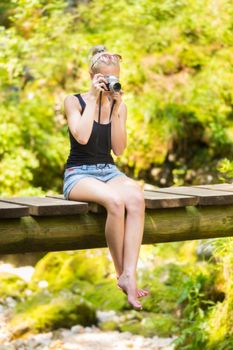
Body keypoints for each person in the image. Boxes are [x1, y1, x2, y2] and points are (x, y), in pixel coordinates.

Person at [63, 45, 149, 310]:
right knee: (114, 202)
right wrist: (92, 98)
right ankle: (119, 271)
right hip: (78, 173)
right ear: (93, 76)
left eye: (115, 78)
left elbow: (119, 150)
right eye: (105, 79)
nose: (111, 84)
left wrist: (117, 110)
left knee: (135, 196)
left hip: (107, 170)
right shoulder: (74, 101)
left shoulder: (117, 105)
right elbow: (82, 136)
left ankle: (130, 274)